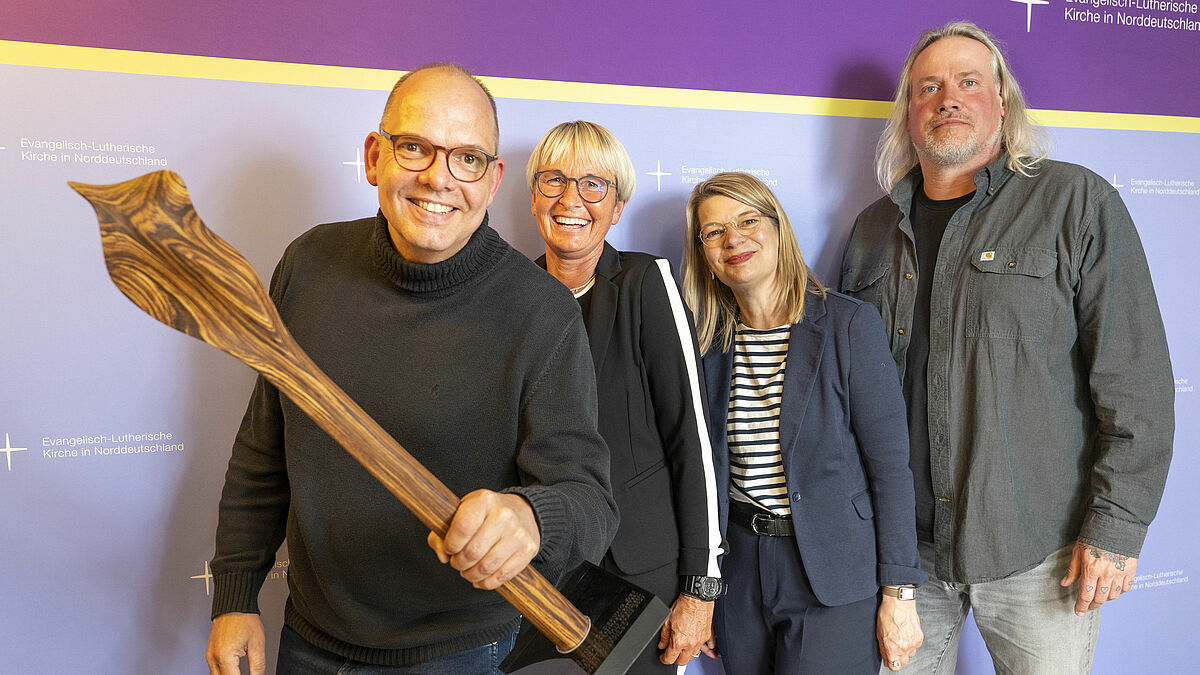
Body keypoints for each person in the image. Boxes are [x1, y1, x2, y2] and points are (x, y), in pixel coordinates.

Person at [204, 63, 618, 675]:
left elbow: (590, 501)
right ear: (374, 157)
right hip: (310, 640)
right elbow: (265, 448)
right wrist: (235, 598)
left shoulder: (541, 310)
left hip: (460, 653)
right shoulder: (308, 264)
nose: (439, 178)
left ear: (493, 178)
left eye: (467, 158)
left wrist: (531, 516)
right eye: (415, 146)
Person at [840, 21, 1175, 674]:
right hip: (904, 559)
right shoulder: (872, 231)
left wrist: (1115, 528)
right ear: (909, 113)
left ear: (1002, 101)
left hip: (1038, 550)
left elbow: (1135, 382)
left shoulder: (1074, 203)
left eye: (968, 82)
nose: (948, 98)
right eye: (928, 87)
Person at [682, 171, 926, 674]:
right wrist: (701, 590)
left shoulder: (848, 324)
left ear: (777, 229)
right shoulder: (703, 343)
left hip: (833, 571)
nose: (734, 239)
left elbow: (891, 470)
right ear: (702, 250)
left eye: (748, 220)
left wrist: (899, 593)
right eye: (714, 231)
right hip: (740, 575)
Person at [525, 120, 723, 672]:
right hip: (540, 576)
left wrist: (700, 588)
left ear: (617, 208)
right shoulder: (511, 294)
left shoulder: (645, 282)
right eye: (554, 180)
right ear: (532, 196)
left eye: (594, 184)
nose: (571, 199)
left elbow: (694, 438)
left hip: (641, 576)